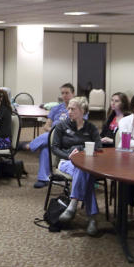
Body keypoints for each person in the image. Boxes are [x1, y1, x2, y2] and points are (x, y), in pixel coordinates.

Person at [52, 97, 102, 236]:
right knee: (85, 172)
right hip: (66, 162)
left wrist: (82, 151)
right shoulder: (62, 126)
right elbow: (55, 148)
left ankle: (73, 206)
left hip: (86, 164)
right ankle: (92, 218)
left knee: (83, 169)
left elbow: (98, 147)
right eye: (68, 108)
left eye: (72, 109)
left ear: (82, 111)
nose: (69, 111)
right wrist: (69, 156)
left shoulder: (91, 128)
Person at [23, 83, 75, 188]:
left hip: (69, 137)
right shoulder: (56, 108)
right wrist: (54, 132)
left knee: (50, 137)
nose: (64, 95)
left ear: (73, 94)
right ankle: (43, 178)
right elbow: (46, 126)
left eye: (67, 93)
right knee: (46, 146)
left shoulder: (77, 108)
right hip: (54, 135)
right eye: (62, 93)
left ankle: (30, 145)